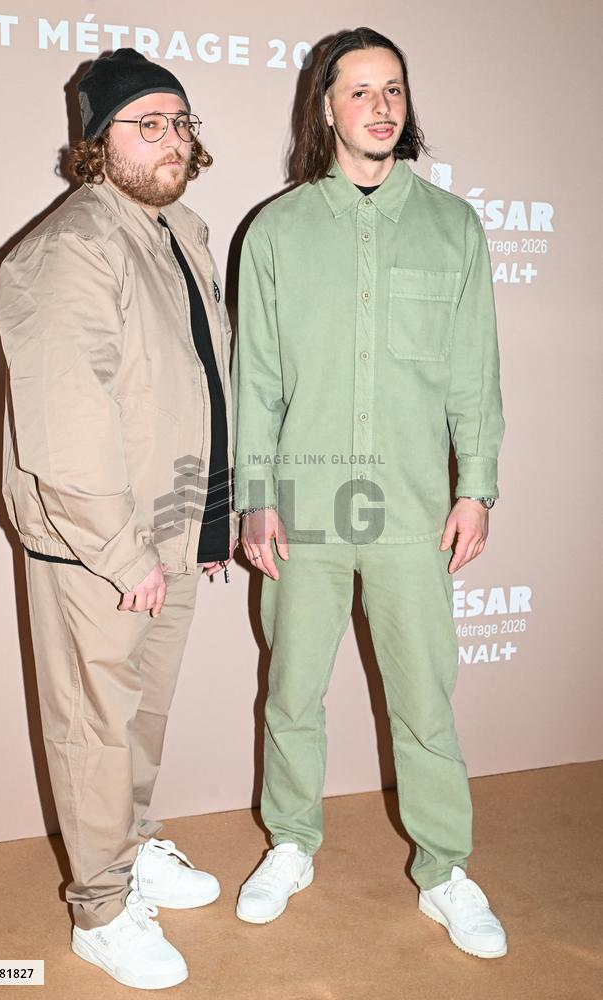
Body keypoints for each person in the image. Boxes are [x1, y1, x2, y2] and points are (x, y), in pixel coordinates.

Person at [232, 27, 507, 959]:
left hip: (412, 506)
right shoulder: (275, 231)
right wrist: (253, 495)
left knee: (425, 697)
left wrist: (477, 488)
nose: (381, 105)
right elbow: (256, 381)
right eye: (360, 91)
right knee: (293, 690)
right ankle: (292, 842)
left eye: (394, 89)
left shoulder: (454, 227)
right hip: (304, 504)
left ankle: (445, 869)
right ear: (325, 108)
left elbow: (476, 375)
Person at [0, 48, 237, 990]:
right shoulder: (72, 246)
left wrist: (203, 523)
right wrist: (122, 549)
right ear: (97, 144)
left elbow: (196, 391)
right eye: (148, 124)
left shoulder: (178, 229)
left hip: (166, 532)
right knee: (95, 725)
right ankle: (98, 909)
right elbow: (66, 423)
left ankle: (130, 849)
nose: (172, 139)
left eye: (180, 122)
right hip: (100, 547)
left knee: (141, 716)